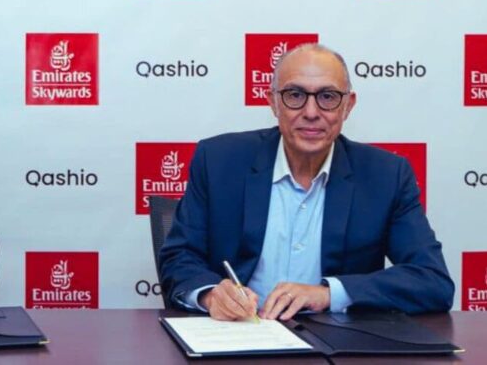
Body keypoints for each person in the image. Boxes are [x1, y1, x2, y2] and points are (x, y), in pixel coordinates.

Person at [159, 43, 453, 321]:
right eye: (295, 95)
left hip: (337, 341)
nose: (311, 113)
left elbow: (432, 280)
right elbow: (178, 257)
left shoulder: (386, 175)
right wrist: (210, 295)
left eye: (328, 97)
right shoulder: (218, 161)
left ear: (348, 105)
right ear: (273, 102)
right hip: (238, 334)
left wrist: (329, 294)